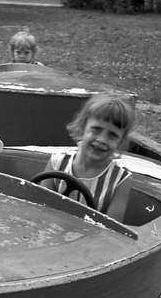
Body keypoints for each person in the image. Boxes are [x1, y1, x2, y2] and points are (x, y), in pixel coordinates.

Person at [40, 93, 136, 221]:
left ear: (121, 141)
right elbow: (40, 207)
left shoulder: (120, 180)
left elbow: (112, 232)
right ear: (82, 127)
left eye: (112, 135)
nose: (102, 139)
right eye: (96, 129)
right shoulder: (57, 163)